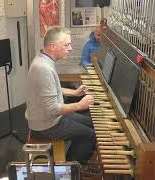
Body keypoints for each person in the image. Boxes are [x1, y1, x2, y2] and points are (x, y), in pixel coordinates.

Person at [25, 27, 96, 164]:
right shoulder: (43, 69)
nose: (70, 48)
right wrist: (79, 105)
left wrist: (74, 93)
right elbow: (53, 109)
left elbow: (52, 89)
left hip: (48, 118)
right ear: (52, 46)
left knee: (90, 122)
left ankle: (77, 157)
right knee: (89, 135)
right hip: (45, 126)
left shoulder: (43, 59)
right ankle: (70, 170)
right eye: (66, 45)